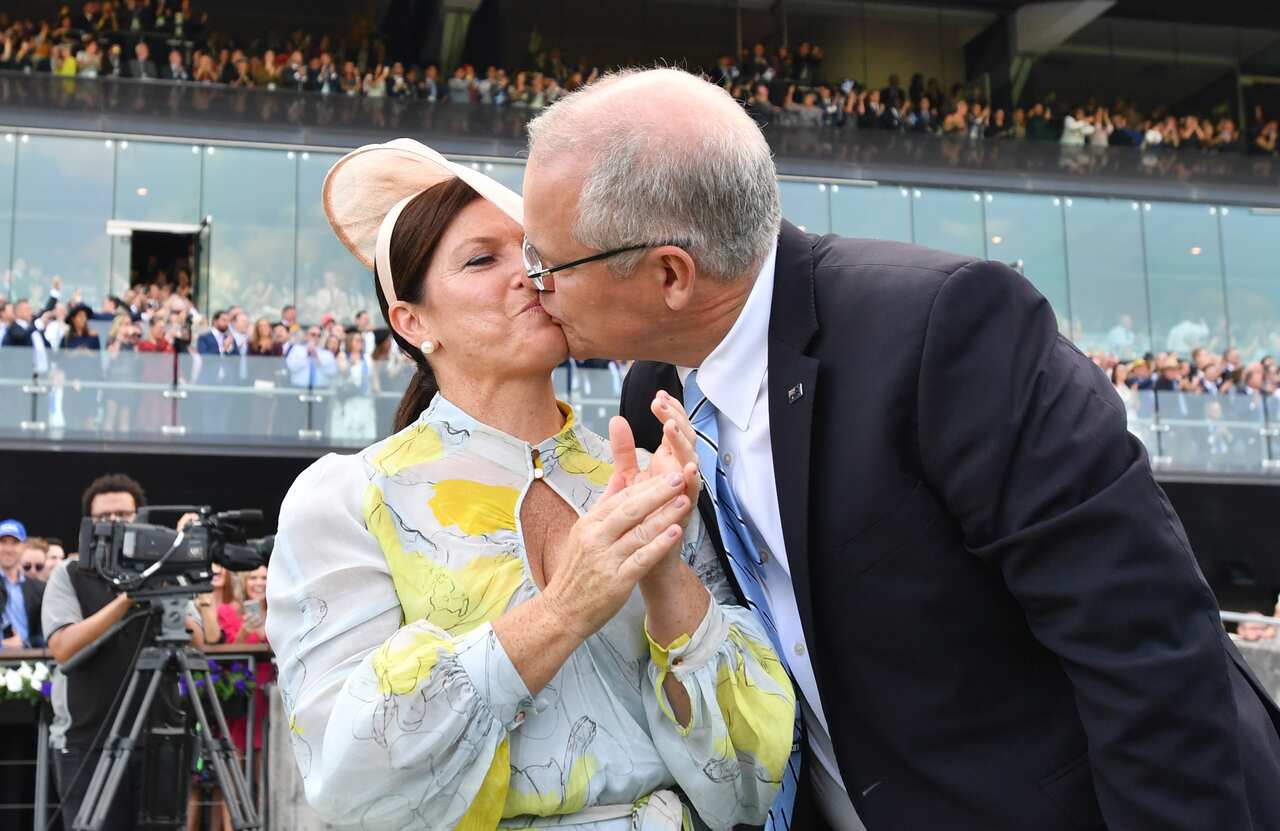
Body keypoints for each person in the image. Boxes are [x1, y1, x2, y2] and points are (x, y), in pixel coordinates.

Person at [520, 68, 1280, 831]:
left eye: (547, 265)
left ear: (670, 274)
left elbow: (1143, 636)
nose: (533, 287)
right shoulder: (652, 399)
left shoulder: (945, 331)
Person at [266, 139, 794, 830]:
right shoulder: (348, 498)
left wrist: (665, 571)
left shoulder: (648, 476)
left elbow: (754, 778)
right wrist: (566, 607)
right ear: (412, 322)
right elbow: (348, 777)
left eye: (533, 251)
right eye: (482, 259)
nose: (528, 274)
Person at [42, 474, 203, 830]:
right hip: (88, 738)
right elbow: (63, 647)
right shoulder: (70, 573)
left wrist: (163, 582)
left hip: (159, 736)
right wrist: (128, 598)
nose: (115, 523)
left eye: (124, 514)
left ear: (140, 517)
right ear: (89, 524)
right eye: (104, 517)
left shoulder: (166, 569)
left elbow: (199, 640)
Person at [1, 518, 45, 648]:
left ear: (24, 547)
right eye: (3, 542)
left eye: (15, 543)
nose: (8, 549)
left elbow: (42, 634)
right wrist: (3, 645)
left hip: (30, 657)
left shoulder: (38, 589)